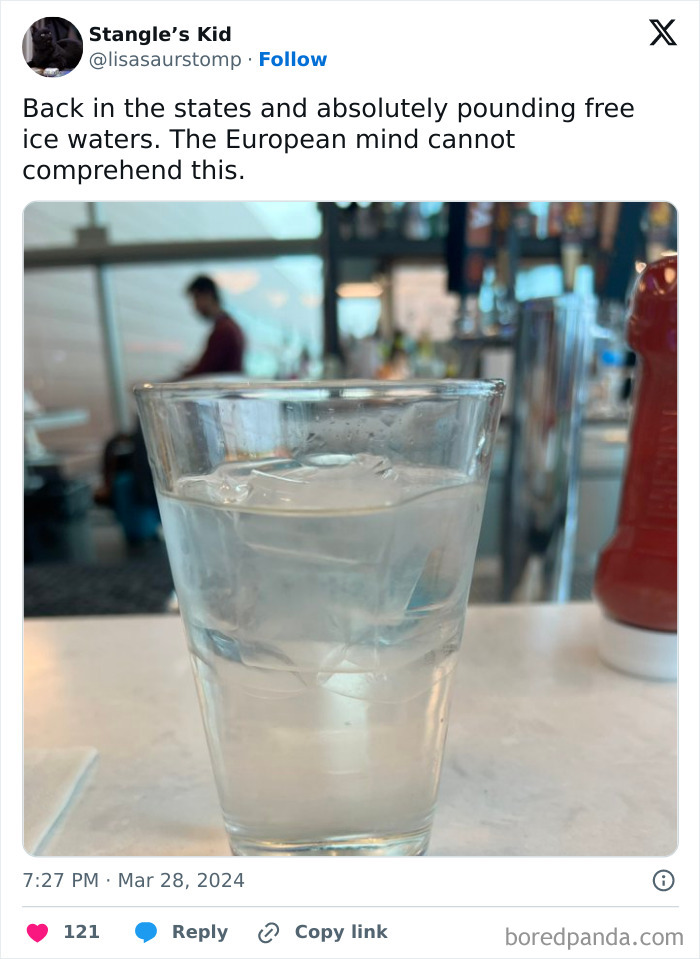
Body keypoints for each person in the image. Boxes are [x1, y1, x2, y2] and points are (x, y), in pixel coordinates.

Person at [182, 275, 245, 377]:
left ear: (207, 295)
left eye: (196, 298)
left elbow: (203, 371)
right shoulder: (230, 326)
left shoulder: (223, 330)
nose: (195, 306)